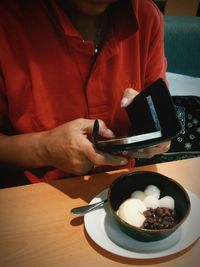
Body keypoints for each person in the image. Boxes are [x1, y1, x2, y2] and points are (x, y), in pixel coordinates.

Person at [0, 0, 170, 185]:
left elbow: (161, 112)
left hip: (124, 184)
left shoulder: (146, 15)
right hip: (32, 192)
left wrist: (157, 134)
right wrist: (44, 148)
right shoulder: (7, 21)